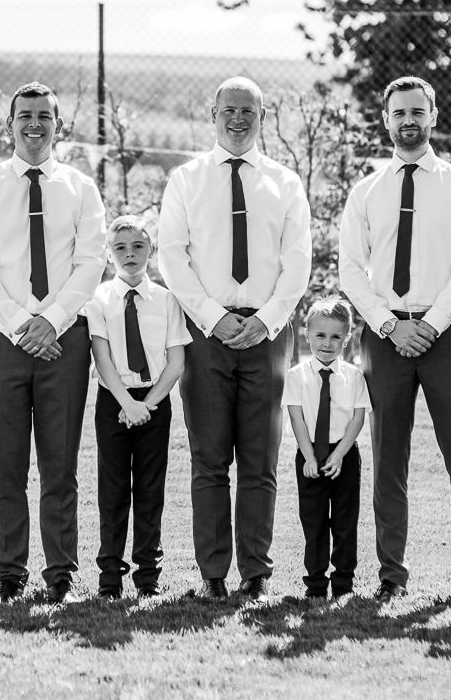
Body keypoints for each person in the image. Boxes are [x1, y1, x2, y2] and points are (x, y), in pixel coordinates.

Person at [157, 76, 312, 600]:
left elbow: (298, 261)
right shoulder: (186, 179)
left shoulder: (285, 182)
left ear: (263, 117)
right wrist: (212, 317)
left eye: (249, 110)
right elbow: (172, 255)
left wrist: (265, 320)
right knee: (209, 458)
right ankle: (213, 574)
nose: (239, 118)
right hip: (205, 333)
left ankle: (256, 571)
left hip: (268, 334)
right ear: (214, 112)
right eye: (230, 109)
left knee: (260, 457)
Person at [338, 75, 451, 602]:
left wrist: (431, 324)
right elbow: (351, 271)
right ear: (386, 120)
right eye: (398, 113)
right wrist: (389, 325)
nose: (408, 122)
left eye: (417, 113)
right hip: (384, 335)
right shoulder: (366, 191)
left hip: (444, 333)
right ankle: (391, 575)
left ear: (433, 117)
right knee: (387, 458)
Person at [0, 81, 105, 603]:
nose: (35, 124)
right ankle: (10, 572)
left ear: (58, 124)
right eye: (25, 115)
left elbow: (90, 263)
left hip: (65, 340)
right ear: (9, 124)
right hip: (2, 338)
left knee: (60, 463)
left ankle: (61, 570)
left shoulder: (82, 188)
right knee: (8, 462)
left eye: (45, 115)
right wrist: (23, 323)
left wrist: (54, 320)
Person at [83, 214, 190, 599]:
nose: (130, 254)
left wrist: (147, 404)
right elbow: (102, 356)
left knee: (149, 489)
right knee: (112, 490)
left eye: (138, 246)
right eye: (120, 248)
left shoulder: (167, 299)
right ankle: (109, 576)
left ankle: (148, 576)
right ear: (109, 254)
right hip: (114, 401)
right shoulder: (96, 299)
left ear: (151, 250)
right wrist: (127, 403)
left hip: (154, 402)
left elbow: (176, 360)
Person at [282, 297, 370, 600]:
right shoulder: (296, 376)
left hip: (344, 454)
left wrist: (339, 455)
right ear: (308, 335)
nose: (327, 343)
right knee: (314, 523)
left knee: (345, 522)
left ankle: (343, 583)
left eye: (336, 337)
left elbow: (357, 418)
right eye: (320, 335)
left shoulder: (354, 376)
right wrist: (309, 456)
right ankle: (316, 585)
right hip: (309, 454)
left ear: (346, 339)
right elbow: (297, 419)